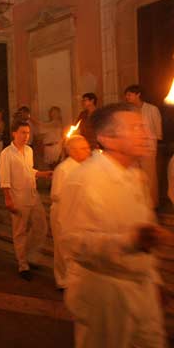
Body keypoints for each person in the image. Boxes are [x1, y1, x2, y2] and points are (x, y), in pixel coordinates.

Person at [59, 103, 168, 347]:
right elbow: (74, 242)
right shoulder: (84, 179)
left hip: (142, 288)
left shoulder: (136, 175)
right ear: (107, 138)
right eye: (135, 128)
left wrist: (154, 280)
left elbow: (144, 230)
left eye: (143, 127)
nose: (145, 133)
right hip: (104, 293)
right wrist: (129, 240)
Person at [0, 120, 52, 280]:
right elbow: (5, 178)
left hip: (32, 194)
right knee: (20, 231)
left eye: (28, 133)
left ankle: (27, 254)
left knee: (41, 226)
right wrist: (8, 199)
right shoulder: (6, 153)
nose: (26, 136)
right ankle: (23, 264)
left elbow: (29, 170)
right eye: (22, 132)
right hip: (18, 197)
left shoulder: (28, 150)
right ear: (14, 133)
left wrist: (43, 174)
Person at [49, 135, 91, 289]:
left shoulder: (86, 166)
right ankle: (62, 280)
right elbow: (56, 194)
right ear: (72, 151)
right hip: (63, 213)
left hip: (78, 213)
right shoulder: (63, 169)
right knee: (62, 248)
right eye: (83, 148)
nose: (88, 151)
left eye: (87, 147)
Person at [124, 85, 163, 208]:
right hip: (133, 147)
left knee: (149, 175)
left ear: (138, 94)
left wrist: (151, 141)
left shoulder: (152, 109)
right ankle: (138, 202)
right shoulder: (128, 110)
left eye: (129, 94)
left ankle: (152, 204)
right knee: (135, 175)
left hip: (148, 147)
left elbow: (157, 129)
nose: (127, 97)